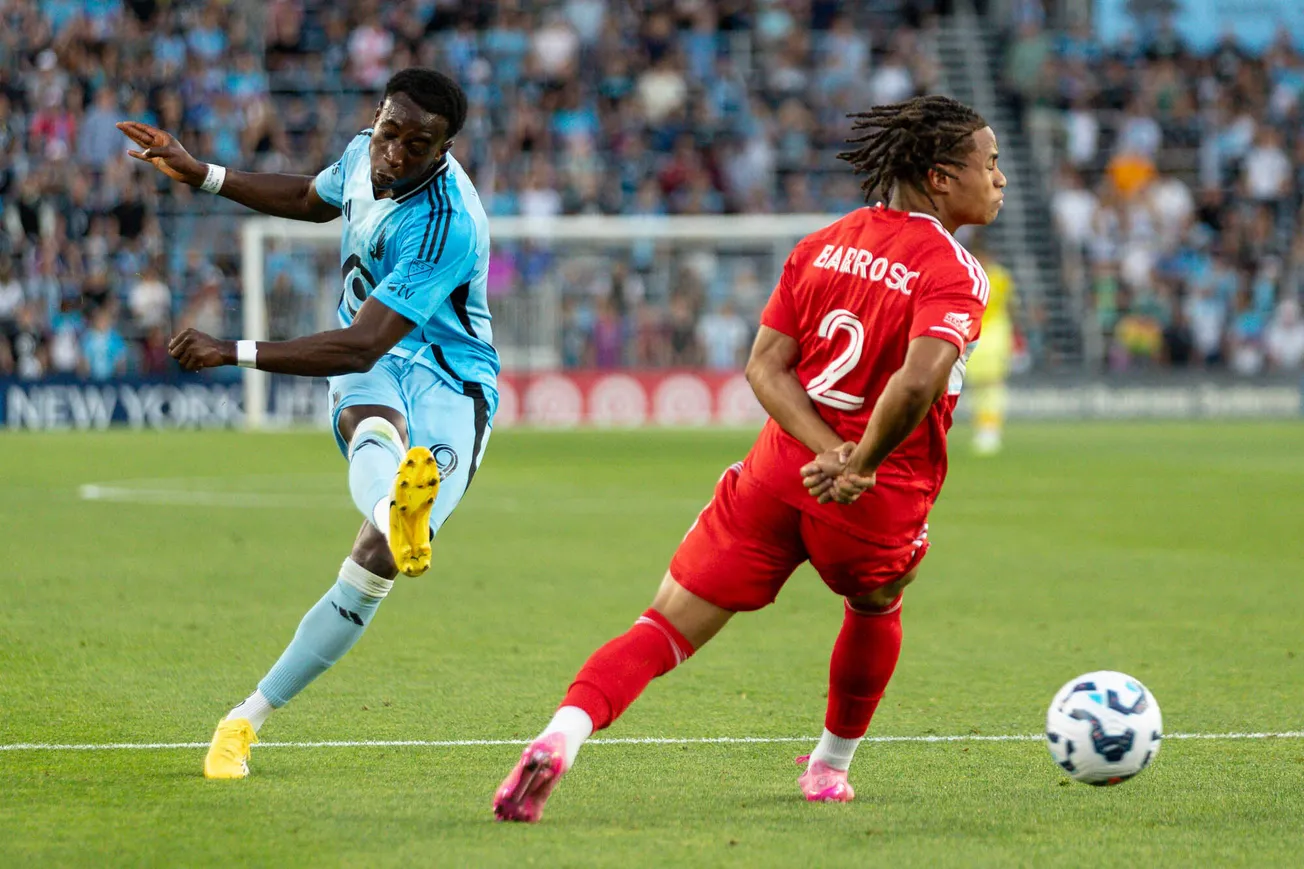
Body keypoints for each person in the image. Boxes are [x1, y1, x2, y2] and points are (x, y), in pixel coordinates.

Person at [494, 94, 1004, 822]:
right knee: (878, 599)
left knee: (662, 626)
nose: (1001, 178)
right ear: (942, 177)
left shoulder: (821, 243)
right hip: (872, 496)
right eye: (990, 163)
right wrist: (857, 461)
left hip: (777, 474)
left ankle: (561, 734)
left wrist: (826, 447)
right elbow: (919, 379)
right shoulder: (955, 269)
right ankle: (829, 766)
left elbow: (765, 366)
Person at [118, 68, 498, 779]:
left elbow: (360, 343)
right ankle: (395, 508)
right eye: (391, 132)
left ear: (444, 149)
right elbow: (306, 196)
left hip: (451, 379)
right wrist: (200, 172)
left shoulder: (450, 221)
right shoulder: (362, 152)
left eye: (419, 145)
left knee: (378, 560)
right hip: (377, 359)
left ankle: (244, 716)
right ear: (377, 117)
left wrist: (232, 350)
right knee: (371, 426)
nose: (397, 153)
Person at [963, 238, 1016, 455]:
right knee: (977, 384)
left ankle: (991, 428)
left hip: (996, 330)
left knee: (993, 382)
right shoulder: (968, 274)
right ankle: (982, 427)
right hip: (975, 331)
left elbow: (1010, 305)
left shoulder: (1000, 277)